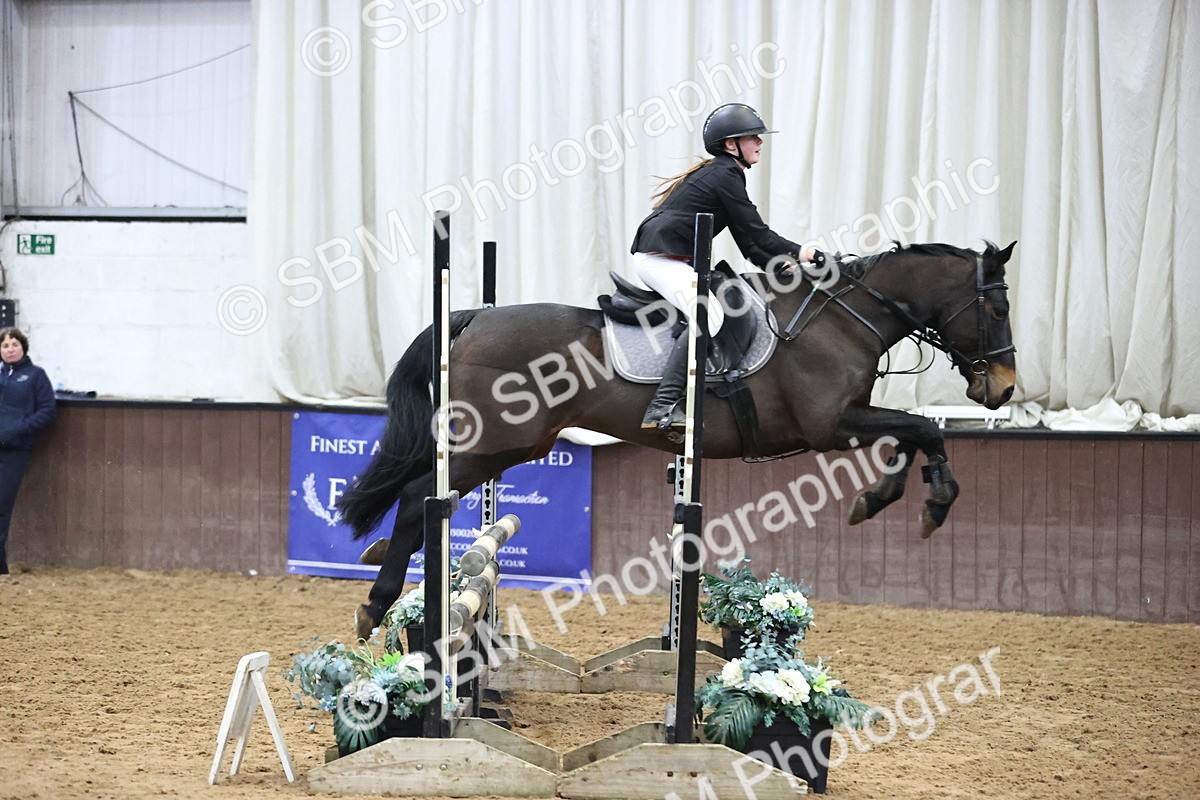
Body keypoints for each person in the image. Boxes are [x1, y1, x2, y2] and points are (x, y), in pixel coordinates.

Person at [629, 102, 820, 434]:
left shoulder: (725, 173)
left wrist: (779, 265)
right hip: (659, 259)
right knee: (709, 315)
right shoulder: (725, 174)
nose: (760, 143)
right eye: (752, 138)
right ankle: (662, 406)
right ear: (732, 145)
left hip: (668, 257)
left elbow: (749, 243)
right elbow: (759, 233)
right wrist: (802, 251)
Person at [0, 327, 56, 575]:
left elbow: (47, 410)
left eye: (14, 344)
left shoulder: (35, 376)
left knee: (2, 504)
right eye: (5, 345)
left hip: (15, 449)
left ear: (23, 348)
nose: (10, 349)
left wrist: (21, 428)